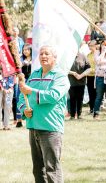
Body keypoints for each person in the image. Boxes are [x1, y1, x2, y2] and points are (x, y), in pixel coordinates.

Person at [18, 45, 70, 183]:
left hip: (50, 127)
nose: (43, 56)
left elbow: (53, 96)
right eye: (41, 54)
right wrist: (24, 109)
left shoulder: (60, 76)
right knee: (38, 170)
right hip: (33, 126)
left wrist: (31, 92)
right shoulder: (34, 74)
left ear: (54, 57)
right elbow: (23, 95)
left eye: (47, 53)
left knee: (52, 168)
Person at [93, 40, 106, 119]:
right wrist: (103, 52)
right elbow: (97, 62)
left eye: (105, 45)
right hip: (100, 77)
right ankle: (96, 114)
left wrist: (103, 61)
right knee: (99, 96)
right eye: (102, 45)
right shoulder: (97, 53)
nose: (103, 46)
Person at [68, 53, 91, 120]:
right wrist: (73, 73)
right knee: (72, 98)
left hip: (81, 81)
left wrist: (81, 75)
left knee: (80, 98)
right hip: (71, 82)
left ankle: (79, 115)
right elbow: (63, 68)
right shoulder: (67, 55)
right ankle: (72, 115)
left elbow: (88, 68)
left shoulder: (83, 56)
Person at [86, 41, 97, 114]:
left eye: (91, 46)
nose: (90, 47)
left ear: (95, 45)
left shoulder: (98, 54)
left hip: (96, 76)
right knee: (90, 92)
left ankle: (96, 108)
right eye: (89, 46)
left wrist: (93, 70)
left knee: (96, 93)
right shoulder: (88, 55)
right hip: (89, 76)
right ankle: (91, 108)